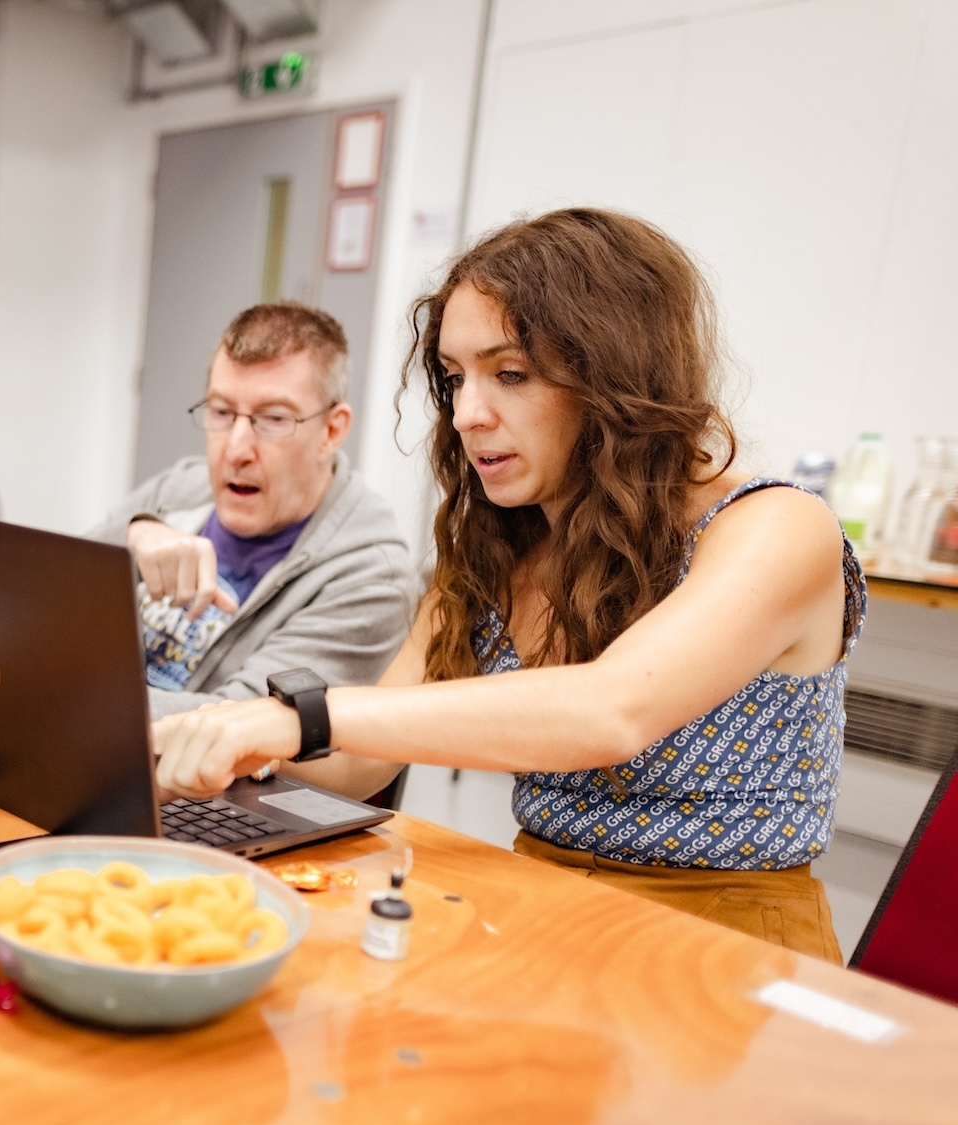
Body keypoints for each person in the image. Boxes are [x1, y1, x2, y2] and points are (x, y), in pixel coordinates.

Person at [152, 208, 864, 962]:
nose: (465, 414)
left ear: (615, 378)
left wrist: (293, 718)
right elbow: (359, 764)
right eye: (455, 379)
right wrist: (180, 741)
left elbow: (610, 710)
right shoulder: (499, 544)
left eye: (511, 375)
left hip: (728, 941)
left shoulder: (777, 526)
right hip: (542, 902)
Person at [90, 302, 414, 719]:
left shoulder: (372, 576)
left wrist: (66, 698)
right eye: (222, 412)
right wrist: (133, 535)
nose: (236, 450)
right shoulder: (182, 487)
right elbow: (44, 594)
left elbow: (243, 721)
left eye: (274, 419)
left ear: (331, 431)